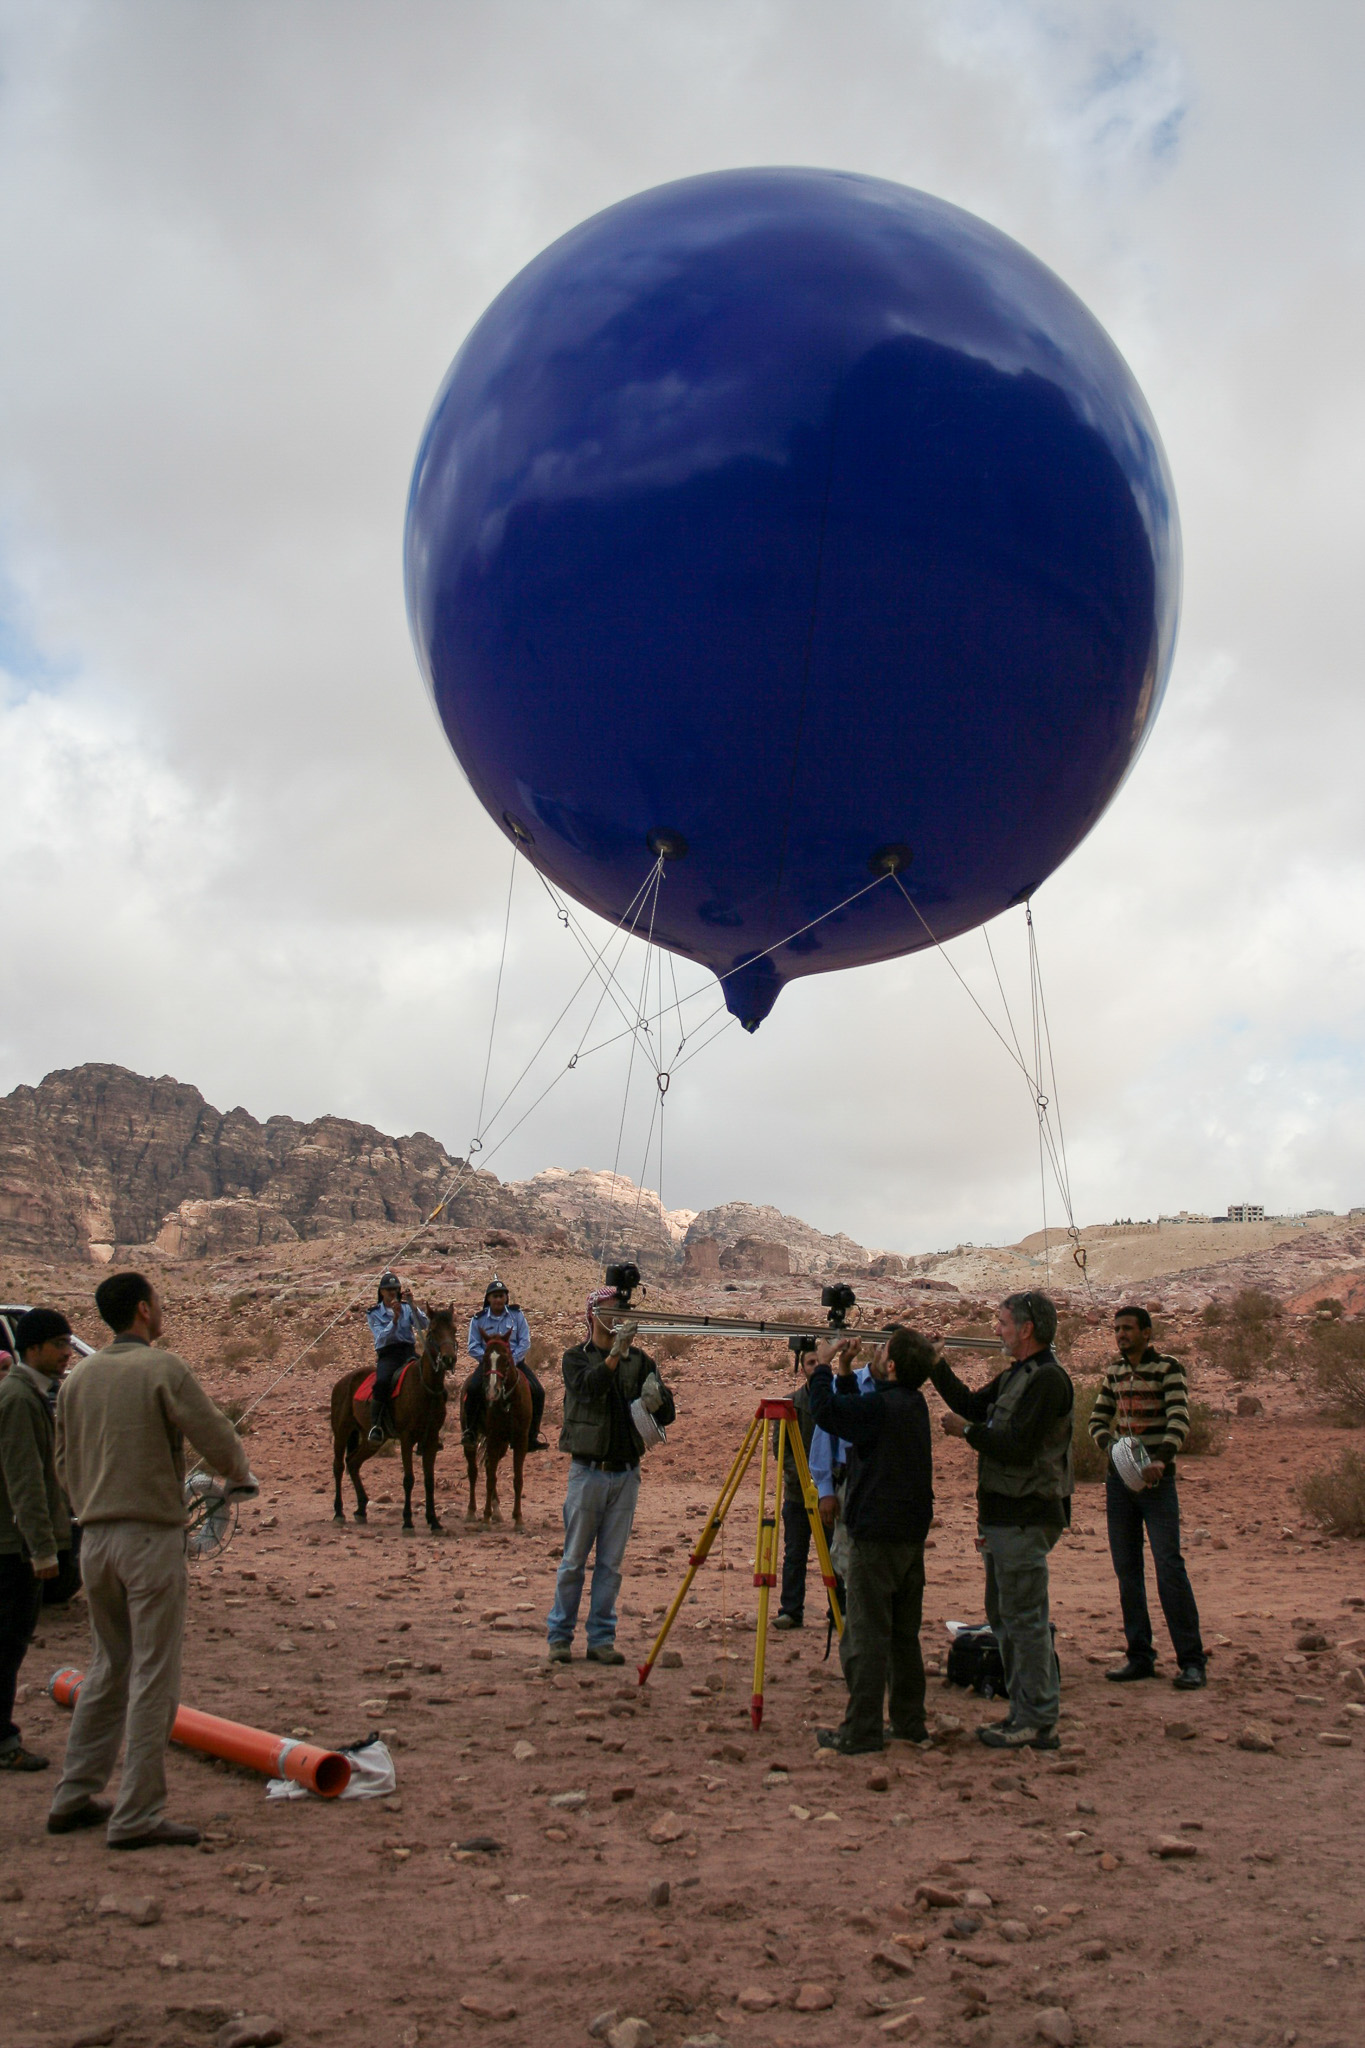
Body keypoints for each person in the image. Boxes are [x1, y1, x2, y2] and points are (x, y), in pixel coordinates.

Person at [48, 1271, 257, 1848]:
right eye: (159, 1303)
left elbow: (62, 1463)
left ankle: (73, 1795)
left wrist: (92, 1502)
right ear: (143, 1311)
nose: (162, 1310)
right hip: (148, 1543)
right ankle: (136, 1814)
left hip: (93, 1542)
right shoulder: (163, 1368)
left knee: (106, 1667)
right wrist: (238, 1478)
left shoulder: (76, 1378)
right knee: (152, 1675)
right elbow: (214, 1435)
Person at [929, 1291, 1074, 1751]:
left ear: (1026, 1329)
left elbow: (1015, 1446)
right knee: (1006, 1619)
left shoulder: (1048, 1380)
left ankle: (1037, 1720)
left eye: (1002, 1321)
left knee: (1025, 1620)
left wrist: (966, 1433)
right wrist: (935, 1365)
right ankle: (1023, 1714)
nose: (997, 1329)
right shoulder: (1020, 1375)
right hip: (1003, 1517)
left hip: (1026, 1517)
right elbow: (973, 1404)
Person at [806, 1327, 936, 1754]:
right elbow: (857, 1413)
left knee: (866, 1634)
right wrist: (846, 1370)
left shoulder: (882, 1407)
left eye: (883, 1351)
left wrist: (822, 1366)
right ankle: (909, 1723)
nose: (876, 1354)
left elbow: (829, 1413)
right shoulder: (912, 1404)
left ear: (893, 1366)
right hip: (907, 1536)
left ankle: (861, 1730)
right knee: (903, 1634)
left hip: (874, 1535)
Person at [545, 1286, 675, 1665]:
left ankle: (601, 1638)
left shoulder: (641, 1360)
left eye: (620, 1309)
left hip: (626, 1474)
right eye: (610, 1309)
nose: (617, 1315)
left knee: (610, 1565)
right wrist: (615, 1356)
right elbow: (588, 1389)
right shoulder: (576, 1358)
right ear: (593, 1314)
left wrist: (659, 1401)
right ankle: (560, 1637)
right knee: (573, 1562)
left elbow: (667, 1414)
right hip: (588, 1472)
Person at [1090, 1305, 1207, 1690]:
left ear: (1147, 1333)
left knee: (1169, 1567)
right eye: (1117, 1329)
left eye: (1128, 1329)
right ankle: (1139, 1656)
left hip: (1158, 1486)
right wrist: (1113, 1450)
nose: (1121, 1335)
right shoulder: (1114, 1371)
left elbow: (1179, 1417)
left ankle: (1191, 1661)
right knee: (1127, 1572)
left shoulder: (1168, 1369)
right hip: (1119, 1485)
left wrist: (1161, 1459)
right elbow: (1097, 1419)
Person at [0, 1309, 74, 1772]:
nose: (68, 1353)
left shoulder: (27, 1394)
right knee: (7, 1644)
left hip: (14, 1542)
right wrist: (42, 1548)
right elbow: (24, 1480)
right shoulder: (19, 1399)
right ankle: (4, 1742)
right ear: (33, 1349)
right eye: (60, 1344)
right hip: (12, 1548)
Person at [463, 1280, 547, 1452]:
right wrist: (488, 1360)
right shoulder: (478, 1319)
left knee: (538, 1391)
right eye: (495, 1296)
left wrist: (511, 1361)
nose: (498, 1300)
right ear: (488, 1299)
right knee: (472, 1389)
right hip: (489, 1364)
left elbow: (525, 1341)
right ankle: (471, 1430)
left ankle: (532, 1435)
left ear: (507, 1298)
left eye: (501, 1296)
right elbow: (473, 1346)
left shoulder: (517, 1316)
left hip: (515, 1363)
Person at [772, 1341, 819, 1630]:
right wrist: (805, 1478)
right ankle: (791, 1610)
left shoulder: (835, 1400)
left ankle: (839, 1610)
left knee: (836, 1555)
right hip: (797, 1493)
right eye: (810, 1363)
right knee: (794, 1555)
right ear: (802, 1368)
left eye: (819, 1362)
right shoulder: (791, 1404)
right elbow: (781, 1451)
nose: (815, 1368)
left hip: (829, 1494)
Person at [366, 1271, 429, 1443]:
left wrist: (413, 1305)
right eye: (388, 1290)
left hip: (408, 1351)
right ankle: (376, 1425)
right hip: (389, 1354)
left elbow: (424, 1325)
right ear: (381, 1292)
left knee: (430, 1377)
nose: (392, 1292)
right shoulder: (374, 1313)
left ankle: (430, 1426)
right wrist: (394, 1319)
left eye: (395, 1289)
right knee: (382, 1382)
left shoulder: (407, 1307)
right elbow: (380, 1337)